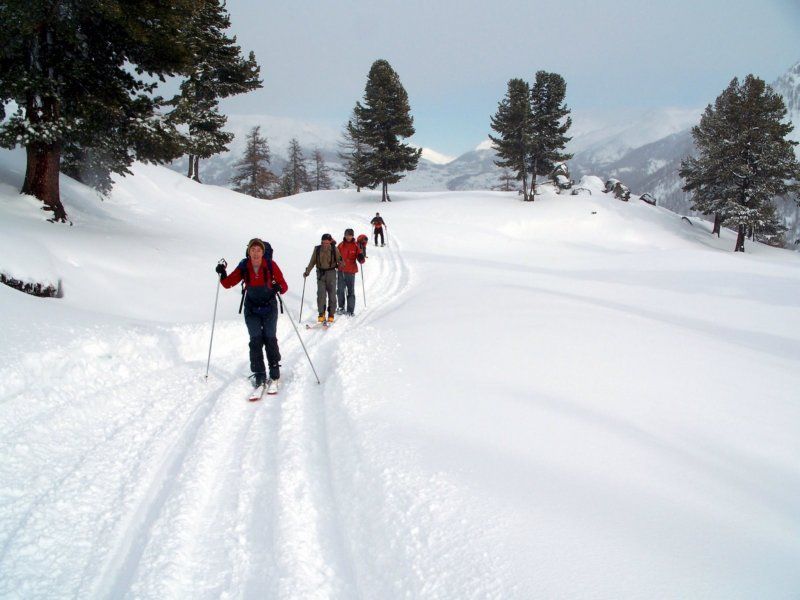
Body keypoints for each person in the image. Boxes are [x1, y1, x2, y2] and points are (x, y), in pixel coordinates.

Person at [215, 238, 288, 393]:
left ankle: (274, 373)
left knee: (269, 337)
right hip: (251, 308)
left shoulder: (270, 265)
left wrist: (277, 287)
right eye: (253, 250)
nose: (255, 253)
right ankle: (259, 374)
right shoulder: (244, 266)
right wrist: (222, 273)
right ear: (249, 252)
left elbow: (284, 286)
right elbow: (228, 284)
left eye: (258, 250)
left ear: (263, 252)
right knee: (255, 340)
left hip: (269, 307)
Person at [303, 233, 342, 323]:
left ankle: (331, 314)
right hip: (320, 274)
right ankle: (321, 314)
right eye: (323, 242)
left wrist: (341, 263)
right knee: (321, 295)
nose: (325, 244)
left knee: (332, 295)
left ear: (330, 242)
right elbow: (312, 261)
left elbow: (339, 259)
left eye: (327, 243)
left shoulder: (334, 249)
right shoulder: (317, 249)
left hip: (331, 273)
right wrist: (307, 272)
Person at [337, 228, 366, 315]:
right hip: (341, 271)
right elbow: (335, 256)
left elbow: (361, 260)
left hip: (351, 271)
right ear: (344, 235)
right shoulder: (340, 245)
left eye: (350, 235)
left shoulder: (356, 246)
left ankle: (350, 310)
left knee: (351, 291)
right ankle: (341, 307)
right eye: (346, 235)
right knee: (340, 290)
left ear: (352, 236)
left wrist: (361, 258)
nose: (348, 237)